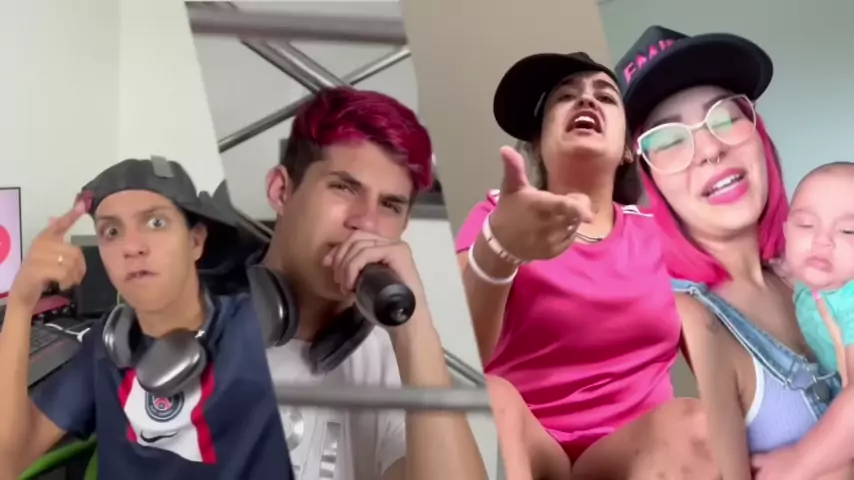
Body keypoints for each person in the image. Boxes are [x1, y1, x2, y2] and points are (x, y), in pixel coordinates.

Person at [455, 51, 717, 479]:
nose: (586, 100)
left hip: (635, 456)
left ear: (628, 150)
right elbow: (460, 355)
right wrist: (498, 251)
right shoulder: (496, 217)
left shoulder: (663, 233)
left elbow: (719, 365)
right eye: (565, 96)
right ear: (537, 144)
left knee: (700, 425)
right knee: (490, 399)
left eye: (605, 96)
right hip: (534, 450)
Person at [618, 25, 843, 480]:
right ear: (649, 181)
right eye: (668, 141)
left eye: (724, 117)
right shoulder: (680, 321)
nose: (710, 149)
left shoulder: (813, 271)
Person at [0, 158, 294, 479]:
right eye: (112, 231)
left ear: (195, 241)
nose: (131, 247)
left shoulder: (254, 332)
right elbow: (7, 463)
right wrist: (21, 303)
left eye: (156, 223)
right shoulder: (107, 346)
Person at [258, 86, 488, 480]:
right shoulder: (202, 327)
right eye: (344, 187)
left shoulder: (397, 365)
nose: (365, 222)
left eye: (390, 205)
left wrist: (415, 328)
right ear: (282, 191)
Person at [749, 162, 854, 479]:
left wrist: (799, 462)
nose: (822, 241)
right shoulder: (810, 277)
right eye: (806, 226)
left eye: (848, 231)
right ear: (786, 232)